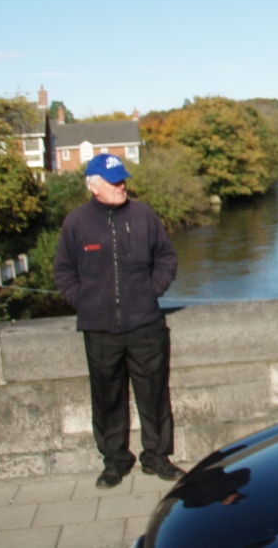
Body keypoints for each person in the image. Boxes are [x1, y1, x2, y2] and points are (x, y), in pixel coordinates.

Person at [54, 153, 183, 488]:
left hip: (145, 324)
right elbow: (64, 272)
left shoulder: (143, 215)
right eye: (114, 182)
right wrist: (84, 301)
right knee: (107, 397)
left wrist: (151, 290)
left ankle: (157, 457)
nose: (122, 185)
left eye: (123, 179)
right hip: (98, 329)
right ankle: (115, 461)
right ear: (94, 187)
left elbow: (167, 258)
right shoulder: (76, 223)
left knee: (154, 393)